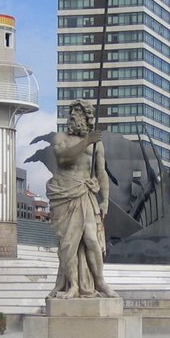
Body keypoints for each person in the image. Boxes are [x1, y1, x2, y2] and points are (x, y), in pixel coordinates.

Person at [46, 101, 118, 299]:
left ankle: (100, 281)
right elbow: (63, 159)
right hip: (65, 192)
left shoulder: (97, 144)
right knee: (68, 244)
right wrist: (86, 142)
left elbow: (101, 172)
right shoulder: (61, 138)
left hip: (85, 194)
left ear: (87, 117)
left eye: (78, 112)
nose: (73, 116)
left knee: (92, 239)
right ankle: (73, 286)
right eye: (72, 112)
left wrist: (105, 200)